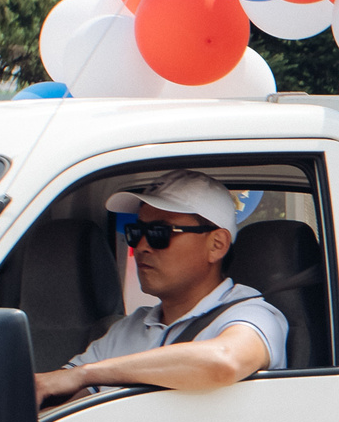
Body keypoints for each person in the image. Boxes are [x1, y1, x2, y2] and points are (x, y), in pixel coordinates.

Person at [33, 171, 287, 406]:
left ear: (216, 245)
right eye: (136, 232)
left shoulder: (253, 315)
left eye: (159, 232)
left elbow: (224, 362)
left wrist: (87, 374)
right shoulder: (127, 329)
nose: (141, 246)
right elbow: (65, 404)